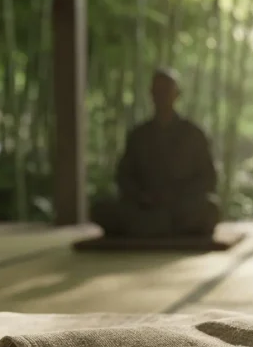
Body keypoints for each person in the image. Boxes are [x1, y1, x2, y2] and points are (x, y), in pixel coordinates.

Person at [90, 68, 219, 238]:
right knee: (101, 208)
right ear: (151, 94)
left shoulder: (193, 134)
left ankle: (152, 227)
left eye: (167, 91)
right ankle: (164, 227)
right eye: (157, 91)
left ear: (177, 95)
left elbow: (208, 178)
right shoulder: (139, 135)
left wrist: (177, 196)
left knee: (210, 209)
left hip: (180, 206)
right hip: (145, 207)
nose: (162, 96)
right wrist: (143, 196)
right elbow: (124, 176)